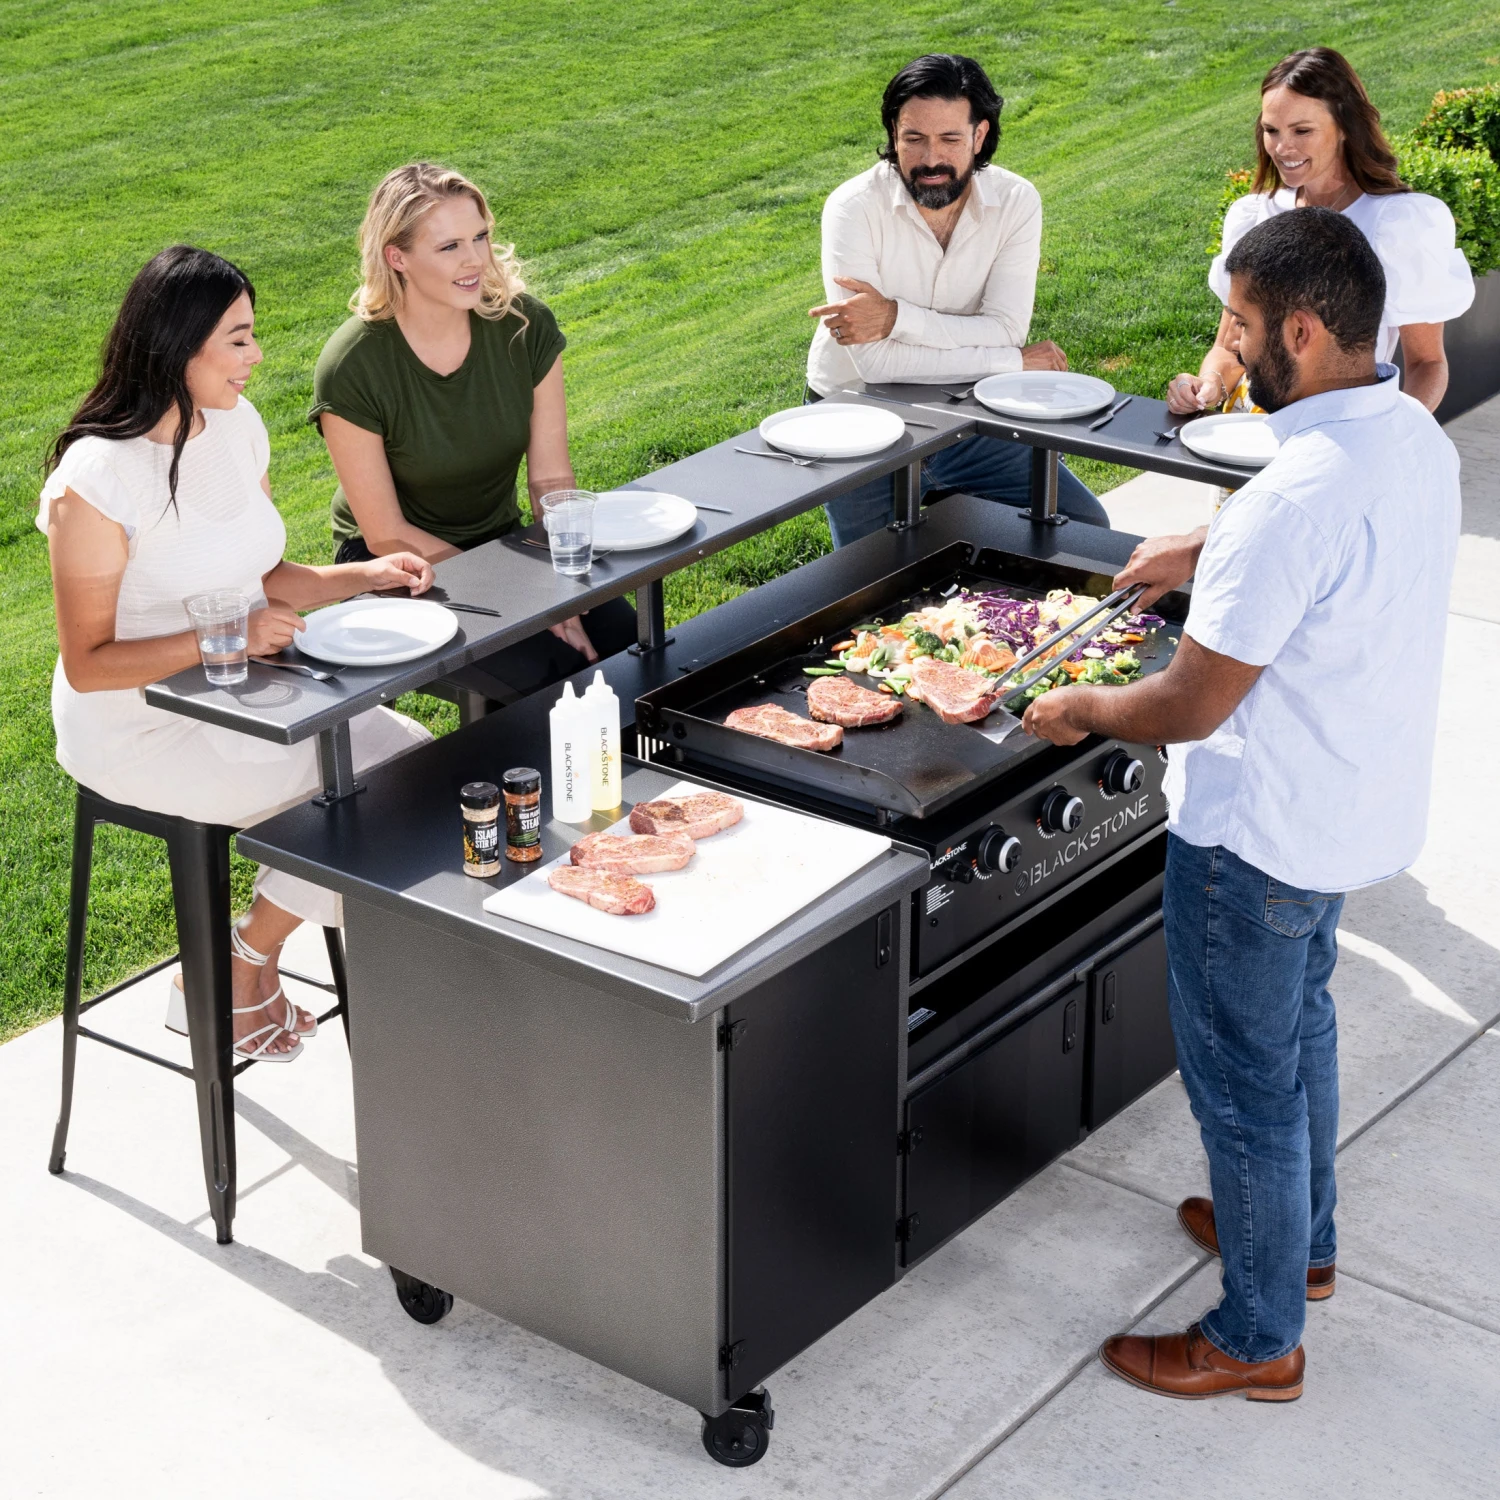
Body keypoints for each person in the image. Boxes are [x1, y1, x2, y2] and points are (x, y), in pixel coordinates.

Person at [1024, 208, 1459, 1400]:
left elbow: (1189, 703)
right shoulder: (1411, 434)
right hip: (1350, 810)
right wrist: (1202, 543)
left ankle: (1258, 1340)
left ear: (1305, 333)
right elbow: (1325, 531)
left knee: (1243, 1085)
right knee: (1301, 1032)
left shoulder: (1292, 498)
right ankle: (1301, 1246)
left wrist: (1081, 708)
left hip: (1256, 838)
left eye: (1241, 325)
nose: (1227, 344)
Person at [41, 246, 435, 1063]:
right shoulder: (99, 478)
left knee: (419, 771)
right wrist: (223, 638)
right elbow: (88, 661)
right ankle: (236, 968)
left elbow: (259, 575)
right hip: (139, 726)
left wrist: (364, 574)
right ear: (178, 347)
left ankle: (245, 952)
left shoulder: (236, 427)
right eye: (239, 340)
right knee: (364, 796)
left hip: (240, 689)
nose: (258, 357)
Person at [311, 162, 635, 703]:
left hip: (504, 544)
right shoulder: (352, 364)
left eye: (480, 237)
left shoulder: (522, 325)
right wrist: (528, 598)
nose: (474, 260)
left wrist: (565, 576)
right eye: (449, 247)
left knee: (631, 645)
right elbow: (387, 532)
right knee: (555, 674)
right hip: (395, 570)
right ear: (398, 258)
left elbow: (550, 477)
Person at [804, 53, 1109, 547]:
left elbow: (1007, 327)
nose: (930, 160)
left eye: (949, 139)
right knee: (870, 585)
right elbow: (876, 364)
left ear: (979, 136)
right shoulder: (852, 208)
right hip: (856, 418)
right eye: (913, 139)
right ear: (893, 135)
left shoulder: (1016, 202)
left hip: (967, 411)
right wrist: (1010, 362)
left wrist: (895, 317)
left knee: (1082, 532)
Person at [1169, 47, 1474, 418]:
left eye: (1302, 130)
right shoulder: (1253, 216)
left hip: (1342, 432)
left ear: (1344, 127)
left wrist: (1395, 433)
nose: (1283, 148)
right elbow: (1229, 349)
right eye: (1271, 130)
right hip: (1243, 432)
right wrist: (1207, 386)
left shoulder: (1396, 225)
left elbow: (1428, 363)